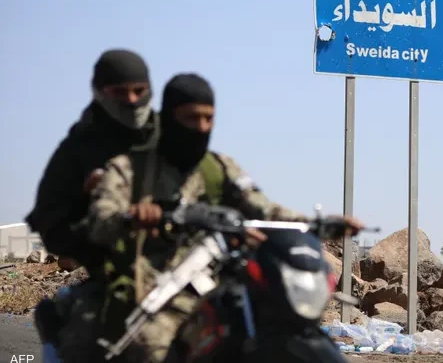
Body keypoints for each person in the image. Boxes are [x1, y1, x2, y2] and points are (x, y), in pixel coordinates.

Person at [84, 73, 364, 363]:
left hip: (217, 282)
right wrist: (136, 216)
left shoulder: (218, 167)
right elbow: (100, 221)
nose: (201, 127)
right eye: (191, 118)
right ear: (168, 117)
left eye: (208, 119)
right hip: (153, 285)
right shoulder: (131, 168)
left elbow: (264, 209)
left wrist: (320, 224)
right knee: (153, 347)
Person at [24, 49, 159, 363]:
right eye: (119, 92)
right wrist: (95, 217)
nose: (131, 101)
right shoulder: (78, 149)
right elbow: (51, 222)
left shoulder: (169, 139)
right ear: (100, 92)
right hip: (113, 279)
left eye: (139, 91)